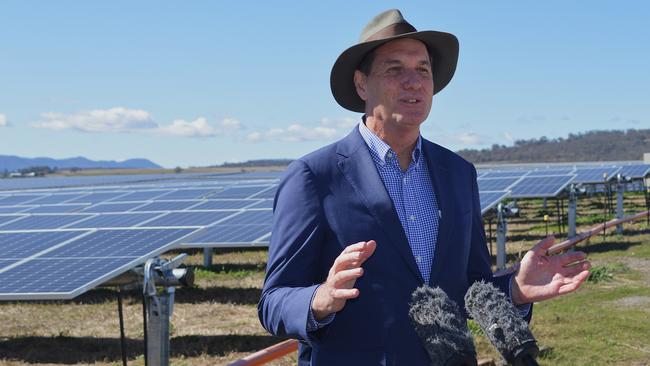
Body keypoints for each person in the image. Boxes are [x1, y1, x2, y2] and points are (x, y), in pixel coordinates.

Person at [258, 9, 590, 365]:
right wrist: (321, 298)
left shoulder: (459, 173)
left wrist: (516, 291)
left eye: (423, 70)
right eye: (394, 69)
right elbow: (274, 301)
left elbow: (471, 287)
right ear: (361, 84)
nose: (413, 82)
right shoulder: (314, 176)